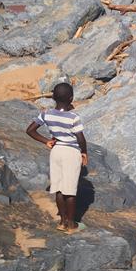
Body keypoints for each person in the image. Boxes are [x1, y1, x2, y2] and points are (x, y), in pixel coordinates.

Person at [25, 82, 87, 232]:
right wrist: (84, 153)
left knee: (58, 188)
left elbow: (30, 130)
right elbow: (81, 139)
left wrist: (46, 141)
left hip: (56, 151)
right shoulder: (73, 117)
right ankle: (71, 224)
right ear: (71, 98)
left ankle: (62, 221)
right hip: (71, 152)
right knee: (70, 190)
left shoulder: (46, 113)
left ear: (52, 97)